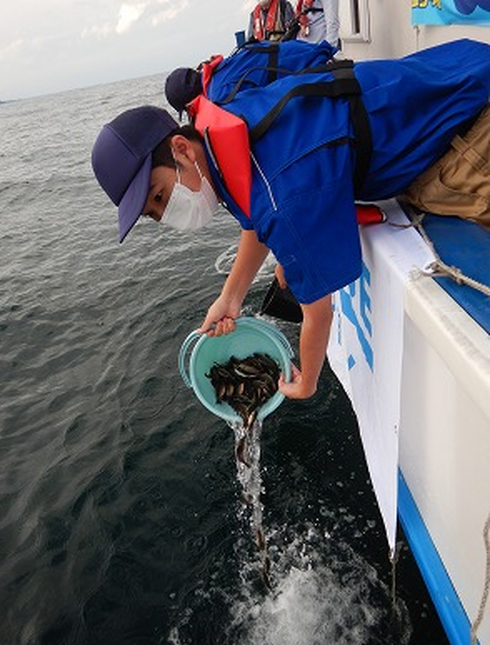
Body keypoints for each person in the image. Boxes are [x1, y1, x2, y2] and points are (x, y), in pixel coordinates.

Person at [91, 39, 490, 400]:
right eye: (154, 215)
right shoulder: (225, 127)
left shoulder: (281, 193)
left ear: (180, 149)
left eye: (159, 195)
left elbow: (318, 309)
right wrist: (229, 298)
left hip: (471, 122)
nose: (166, 213)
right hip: (450, 68)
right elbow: (255, 218)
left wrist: (306, 380)